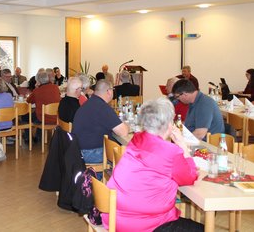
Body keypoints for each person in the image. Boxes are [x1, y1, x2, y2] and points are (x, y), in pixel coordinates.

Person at [104, 98, 202, 232]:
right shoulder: (170, 152)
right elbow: (190, 177)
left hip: (115, 217)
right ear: (169, 124)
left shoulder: (137, 138)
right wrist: (183, 145)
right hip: (145, 224)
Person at [72, 80, 128, 164]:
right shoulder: (103, 107)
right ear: (109, 91)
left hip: (77, 150)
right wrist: (128, 126)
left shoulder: (89, 103)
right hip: (90, 153)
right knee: (130, 155)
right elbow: (123, 132)